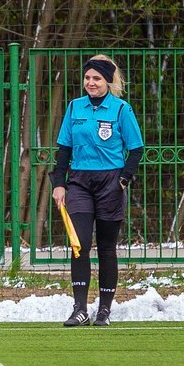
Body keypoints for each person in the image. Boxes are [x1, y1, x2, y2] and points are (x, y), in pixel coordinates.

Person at [50, 55, 144, 326]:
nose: (91, 83)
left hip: (110, 182)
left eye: (97, 79)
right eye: (87, 78)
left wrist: (122, 181)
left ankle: (104, 309)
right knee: (78, 244)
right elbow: (64, 150)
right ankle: (79, 308)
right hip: (79, 182)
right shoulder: (74, 107)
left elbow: (136, 149)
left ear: (108, 81)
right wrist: (59, 184)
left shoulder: (121, 109)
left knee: (106, 247)